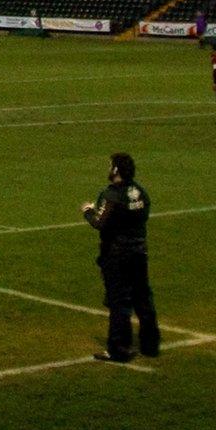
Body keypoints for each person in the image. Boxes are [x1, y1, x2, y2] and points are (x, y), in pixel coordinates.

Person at [82, 152, 159, 363]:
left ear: (116, 170)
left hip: (117, 255)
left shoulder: (112, 195)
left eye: (110, 165)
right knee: (143, 297)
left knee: (119, 302)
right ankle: (150, 344)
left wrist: (88, 211)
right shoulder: (140, 192)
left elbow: (100, 222)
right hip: (139, 252)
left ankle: (118, 348)